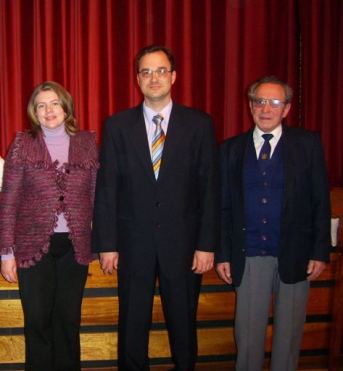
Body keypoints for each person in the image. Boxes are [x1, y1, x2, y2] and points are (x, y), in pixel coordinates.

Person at [92, 45, 218, 371]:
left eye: (161, 70)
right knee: (132, 324)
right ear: (137, 79)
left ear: (174, 76)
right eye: (146, 72)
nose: (154, 78)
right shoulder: (117, 126)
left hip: (184, 244)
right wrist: (107, 244)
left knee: (183, 322)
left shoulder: (199, 124)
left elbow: (209, 189)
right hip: (134, 243)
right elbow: (107, 189)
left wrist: (206, 244)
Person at [216, 75, 331, 371]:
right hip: (250, 255)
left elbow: (320, 200)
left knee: (289, 338)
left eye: (274, 102)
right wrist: (223, 254)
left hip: (295, 254)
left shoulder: (308, 145)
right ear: (251, 105)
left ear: (286, 109)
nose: (266, 108)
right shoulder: (231, 149)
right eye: (260, 101)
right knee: (248, 338)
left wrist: (320, 251)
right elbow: (224, 207)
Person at [0, 81, 98, 371]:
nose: (48, 110)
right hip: (32, 248)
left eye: (54, 103)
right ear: (34, 112)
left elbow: (95, 196)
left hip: (75, 247)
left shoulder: (86, 143)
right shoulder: (22, 144)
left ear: (66, 107)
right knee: (38, 322)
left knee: (68, 322)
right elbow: (8, 203)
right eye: (41, 105)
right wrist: (6, 253)